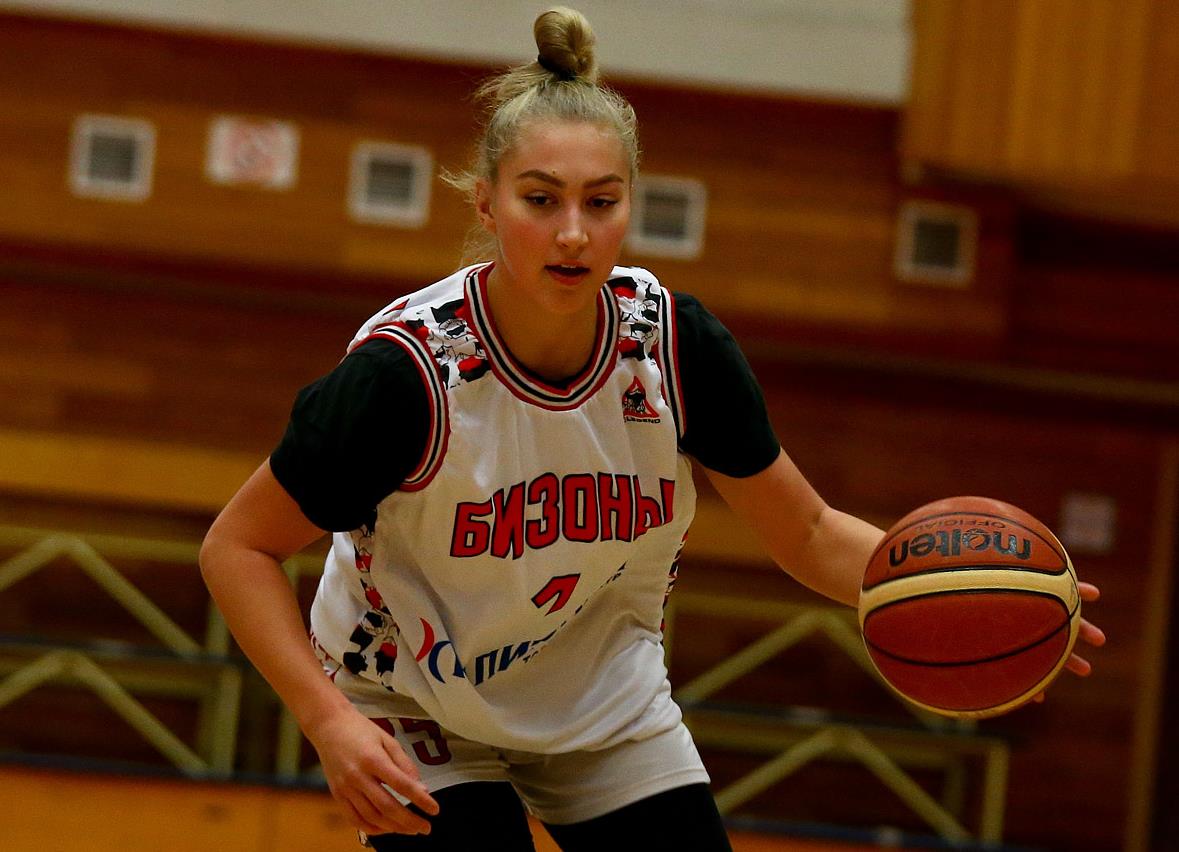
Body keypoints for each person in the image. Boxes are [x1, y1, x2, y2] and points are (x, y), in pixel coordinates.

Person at [199, 7, 1105, 850]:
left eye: (600, 203)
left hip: (597, 697)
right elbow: (237, 548)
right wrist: (327, 719)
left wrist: (974, 595)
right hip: (410, 700)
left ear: (631, 206)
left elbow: (806, 531)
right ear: (485, 205)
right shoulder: (404, 377)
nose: (572, 233)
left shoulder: (676, 348)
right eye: (540, 200)